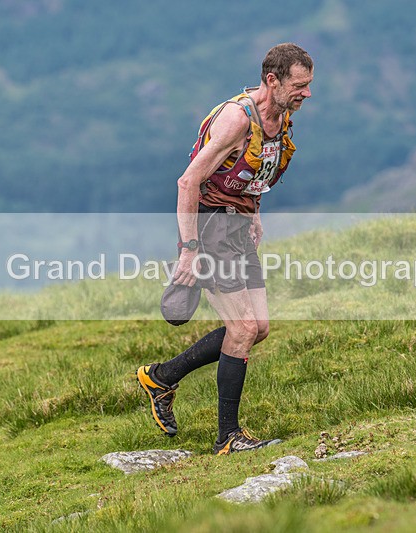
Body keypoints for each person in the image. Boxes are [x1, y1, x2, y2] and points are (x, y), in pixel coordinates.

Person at [137, 43, 313, 455]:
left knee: (259, 328)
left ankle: (161, 378)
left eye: (308, 85)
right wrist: (189, 250)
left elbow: (254, 169)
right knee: (243, 328)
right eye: (299, 86)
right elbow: (188, 182)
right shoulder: (237, 119)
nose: (307, 93)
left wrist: (254, 213)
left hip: (237, 225)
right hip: (210, 227)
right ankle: (227, 437)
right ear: (273, 80)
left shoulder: (280, 116)